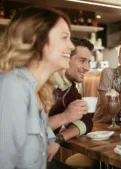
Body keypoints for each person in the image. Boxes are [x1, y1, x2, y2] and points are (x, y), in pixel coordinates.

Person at [0, 7, 75, 169]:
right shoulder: (13, 86)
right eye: (64, 38)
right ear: (37, 39)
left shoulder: (41, 91)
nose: (71, 46)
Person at [47, 37, 94, 164]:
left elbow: (87, 120)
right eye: (82, 60)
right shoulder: (43, 83)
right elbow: (24, 128)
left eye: (88, 62)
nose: (87, 68)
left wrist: (59, 139)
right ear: (66, 57)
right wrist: (65, 117)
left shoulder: (70, 89)